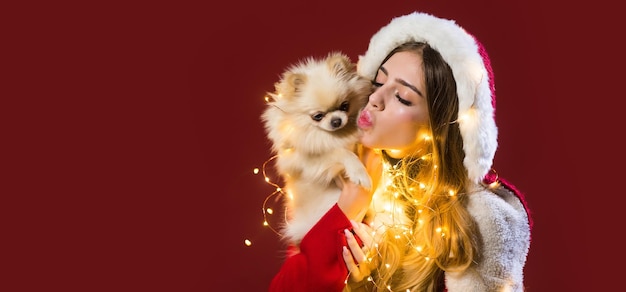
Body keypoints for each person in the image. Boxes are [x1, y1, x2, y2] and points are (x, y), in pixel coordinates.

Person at [269, 11, 532, 292]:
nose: (375, 99)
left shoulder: (479, 220)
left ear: (440, 125)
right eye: (378, 82)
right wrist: (347, 211)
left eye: (402, 97)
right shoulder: (340, 174)